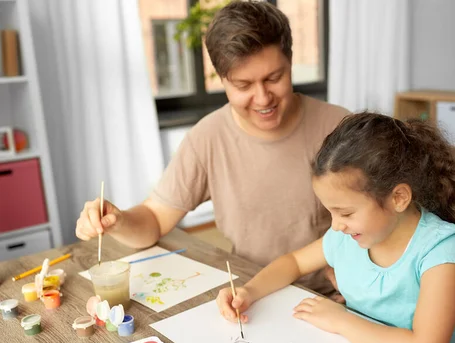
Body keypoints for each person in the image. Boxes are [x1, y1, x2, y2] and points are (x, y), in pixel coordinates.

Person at [75, 1, 349, 295]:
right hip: (249, 293)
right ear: (222, 80)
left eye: (274, 78)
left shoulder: (341, 128)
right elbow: (154, 220)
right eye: (243, 85)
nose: (262, 98)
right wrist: (117, 221)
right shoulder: (208, 137)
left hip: (330, 296)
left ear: (291, 64)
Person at [216, 112, 455, 343]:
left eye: (345, 213)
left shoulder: (440, 246)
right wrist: (249, 291)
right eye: (330, 212)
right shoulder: (348, 235)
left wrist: (342, 320)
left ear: (398, 198)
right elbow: (294, 263)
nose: (335, 225)